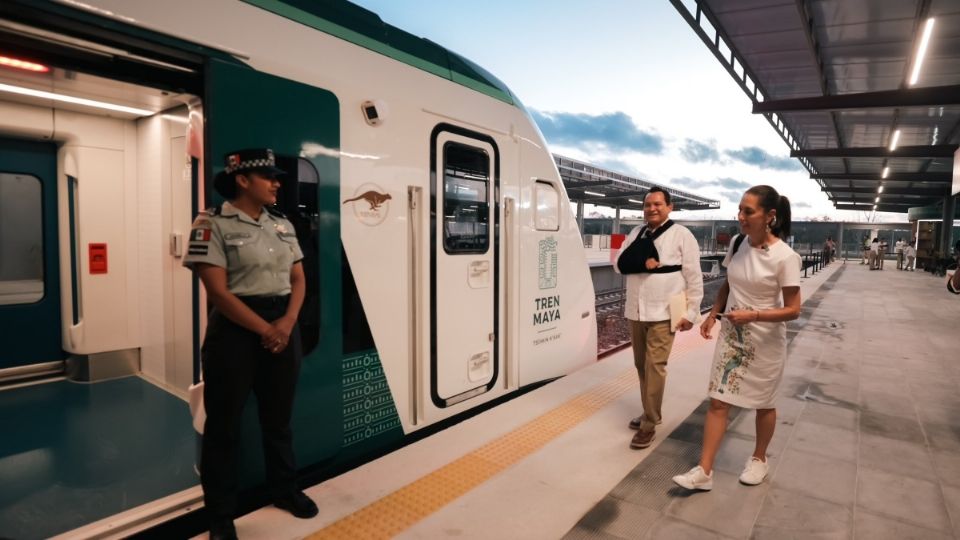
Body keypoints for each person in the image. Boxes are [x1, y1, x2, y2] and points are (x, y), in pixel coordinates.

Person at [184, 149, 317, 540]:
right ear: (243, 180)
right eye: (269, 177)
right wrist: (266, 330)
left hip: (282, 323)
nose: (277, 183)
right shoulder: (212, 223)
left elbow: (299, 280)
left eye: (277, 177)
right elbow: (218, 293)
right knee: (223, 427)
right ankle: (221, 516)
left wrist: (288, 323)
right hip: (235, 334)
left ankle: (284, 490)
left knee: (278, 421)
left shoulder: (282, 224)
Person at [672, 185, 801, 491]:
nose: (740, 216)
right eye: (740, 209)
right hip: (732, 337)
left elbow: (794, 310)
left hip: (765, 342)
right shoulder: (737, 242)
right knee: (718, 400)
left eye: (748, 211)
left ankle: (759, 459)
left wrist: (753, 315)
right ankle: (704, 471)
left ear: (769, 216)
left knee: (763, 404)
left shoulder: (786, 257)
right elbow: (728, 285)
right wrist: (713, 314)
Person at [614, 187, 703, 450]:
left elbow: (694, 276)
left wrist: (691, 313)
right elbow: (620, 264)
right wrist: (643, 263)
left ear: (669, 207)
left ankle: (649, 423)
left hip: (665, 312)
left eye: (658, 204)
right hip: (637, 311)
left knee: (655, 366)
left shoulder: (682, 235)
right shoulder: (636, 233)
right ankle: (650, 411)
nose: (652, 209)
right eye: (647, 205)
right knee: (641, 365)